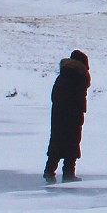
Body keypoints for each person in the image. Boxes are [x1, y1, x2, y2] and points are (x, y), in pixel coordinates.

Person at [43, 49, 92, 183]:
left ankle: (49, 171)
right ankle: (68, 173)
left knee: (57, 142)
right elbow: (78, 99)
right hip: (73, 116)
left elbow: (55, 96)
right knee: (72, 143)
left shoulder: (63, 76)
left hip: (59, 115)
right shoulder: (79, 78)